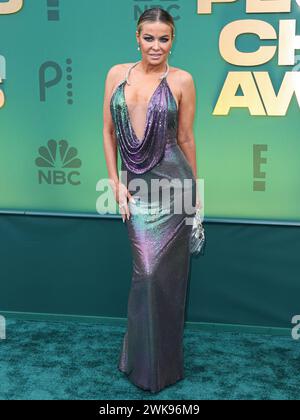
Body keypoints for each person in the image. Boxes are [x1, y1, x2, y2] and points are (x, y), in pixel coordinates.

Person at [102, 7, 201, 393]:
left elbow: (187, 139)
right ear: (137, 38)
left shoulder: (183, 80)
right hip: (137, 189)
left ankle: (164, 366)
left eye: (164, 38)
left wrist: (197, 196)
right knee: (145, 273)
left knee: (166, 279)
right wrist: (114, 182)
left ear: (173, 40)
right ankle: (139, 361)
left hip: (175, 187)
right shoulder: (116, 74)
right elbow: (108, 132)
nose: (156, 45)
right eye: (149, 37)